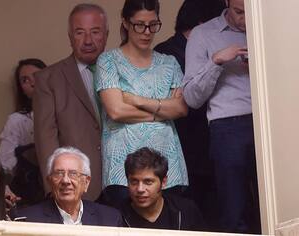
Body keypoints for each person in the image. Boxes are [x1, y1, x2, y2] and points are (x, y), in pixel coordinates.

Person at [182, 0, 260, 233]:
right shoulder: (203, 34)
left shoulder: (267, 28)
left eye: (249, 12)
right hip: (228, 127)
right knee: (233, 211)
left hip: (269, 123)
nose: (244, 19)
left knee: (278, 204)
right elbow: (191, 98)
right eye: (238, 12)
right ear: (226, 3)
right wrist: (216, 61)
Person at [95, 0, 188, 191]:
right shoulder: (108, 61)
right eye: (139, 25)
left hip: (168, 166)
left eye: (153, 25)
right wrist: (161, 111)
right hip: (122, 168)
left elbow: (181, 108)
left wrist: (137, 100)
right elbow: (116, 111)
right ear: (126, 23)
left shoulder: (169, 63)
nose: (147, 32)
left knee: (172, 218)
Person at [154, 0, 225, 229]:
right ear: (203, 23)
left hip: (210, 150)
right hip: (185, 151)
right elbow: (182, 103)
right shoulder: (166, 55)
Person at [33, 3, 108, 200]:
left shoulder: (123, 71)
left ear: (106, 35)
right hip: (75, 187)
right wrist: (54, 189)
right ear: (69, 37)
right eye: (80, 33)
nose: (88, 40)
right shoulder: (48, 79)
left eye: (95, 32)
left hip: (121, 182)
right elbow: (46, 138)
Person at [10, 147, 123, 226]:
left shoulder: (110, 219)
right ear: (49, 181)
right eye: (59, 173)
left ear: (86, 182)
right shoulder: (27, 219)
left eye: (73, 174)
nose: (65, 180)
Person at [0, 58, 46, 205]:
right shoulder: (17, 121)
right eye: (25, 80)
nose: (32, 83)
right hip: (31, 192)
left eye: (36, 76)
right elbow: (5, 163)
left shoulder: (66, 113)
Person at [121, 147, 204, 230]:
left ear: (163, 182)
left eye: (148, 182)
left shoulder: (186, 211)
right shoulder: (117, 216)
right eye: (134, 182)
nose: (140, 189)